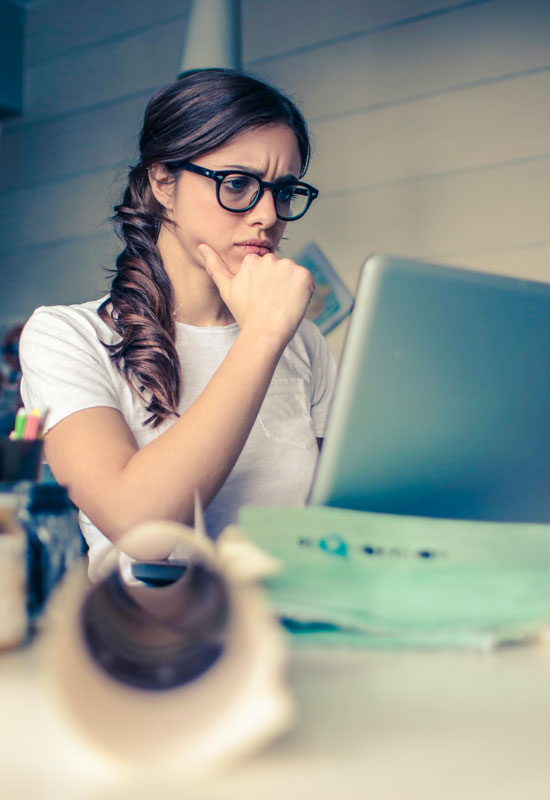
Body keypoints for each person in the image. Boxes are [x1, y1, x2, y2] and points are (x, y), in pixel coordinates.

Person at [19, 69, 336, 578]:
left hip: (292, 636)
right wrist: (260, 336)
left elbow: (335, 526)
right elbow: (141, 527)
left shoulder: (304, 344)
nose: (267, 215)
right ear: (162, 182)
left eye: (283, 190)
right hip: (147, 641)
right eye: (236, 184)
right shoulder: (67, 336)